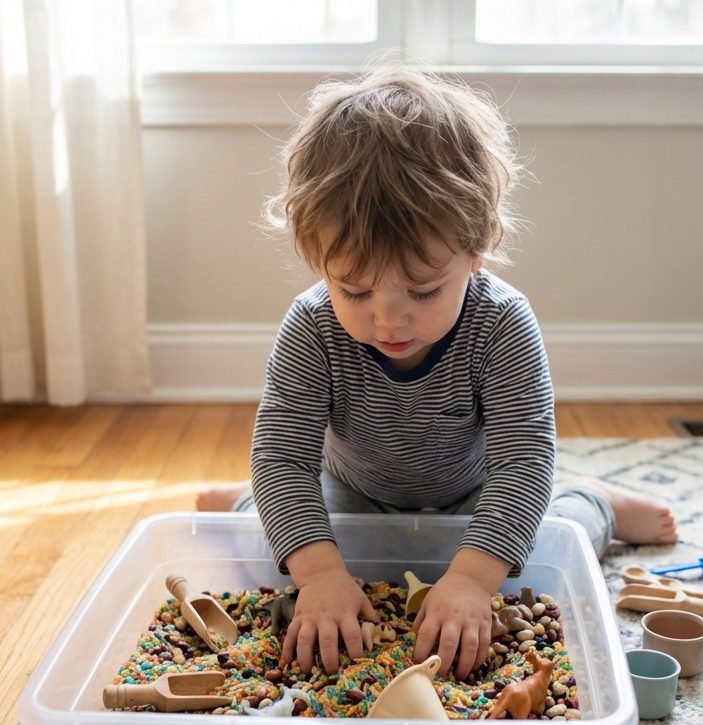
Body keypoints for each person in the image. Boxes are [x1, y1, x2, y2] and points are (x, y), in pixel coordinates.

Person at [199, 65, 677, 678]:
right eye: (354, 290)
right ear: (318, 260)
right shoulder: (311, 326)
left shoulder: (502, 323)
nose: (387, 319)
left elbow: (521, 464)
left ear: (477, 249)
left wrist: (473, 581)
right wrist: (319, 576)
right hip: (354, 493)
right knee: (274, 556)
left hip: (473, 496)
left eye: (423, 291)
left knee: (545, 549)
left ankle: (596, 499)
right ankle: (244, 500)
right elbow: (284, 460)